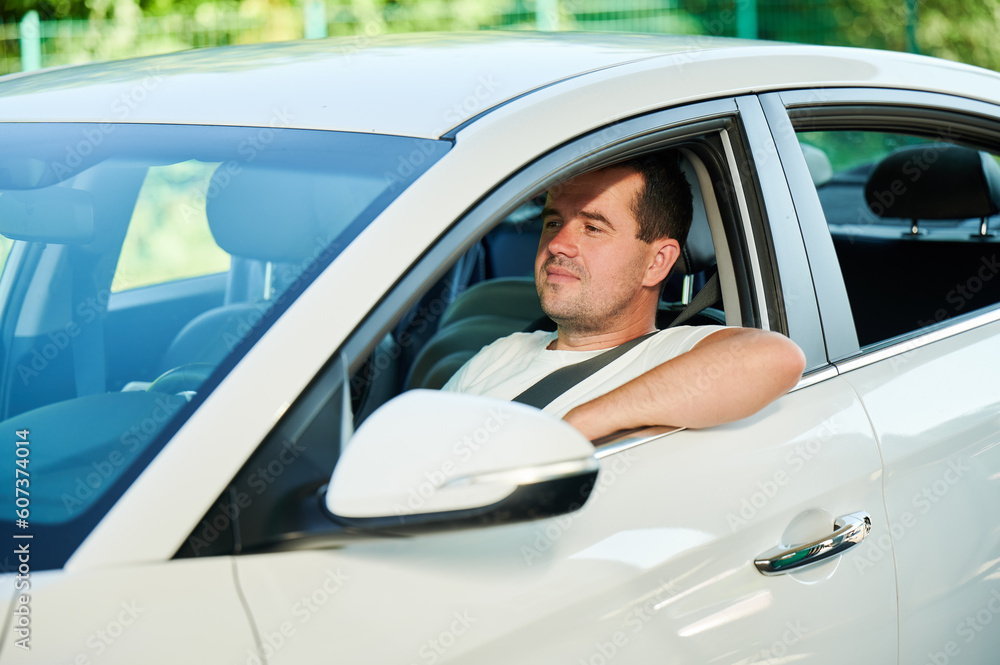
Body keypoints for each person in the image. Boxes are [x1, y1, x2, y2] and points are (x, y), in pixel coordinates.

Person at [443, 151, 806, 442]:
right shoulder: (498, 354)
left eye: (593, 227)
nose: (557, 244)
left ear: (657, 262)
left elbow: (777, 358)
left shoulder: (672, 354)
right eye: (554, 222)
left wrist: (579, 424)